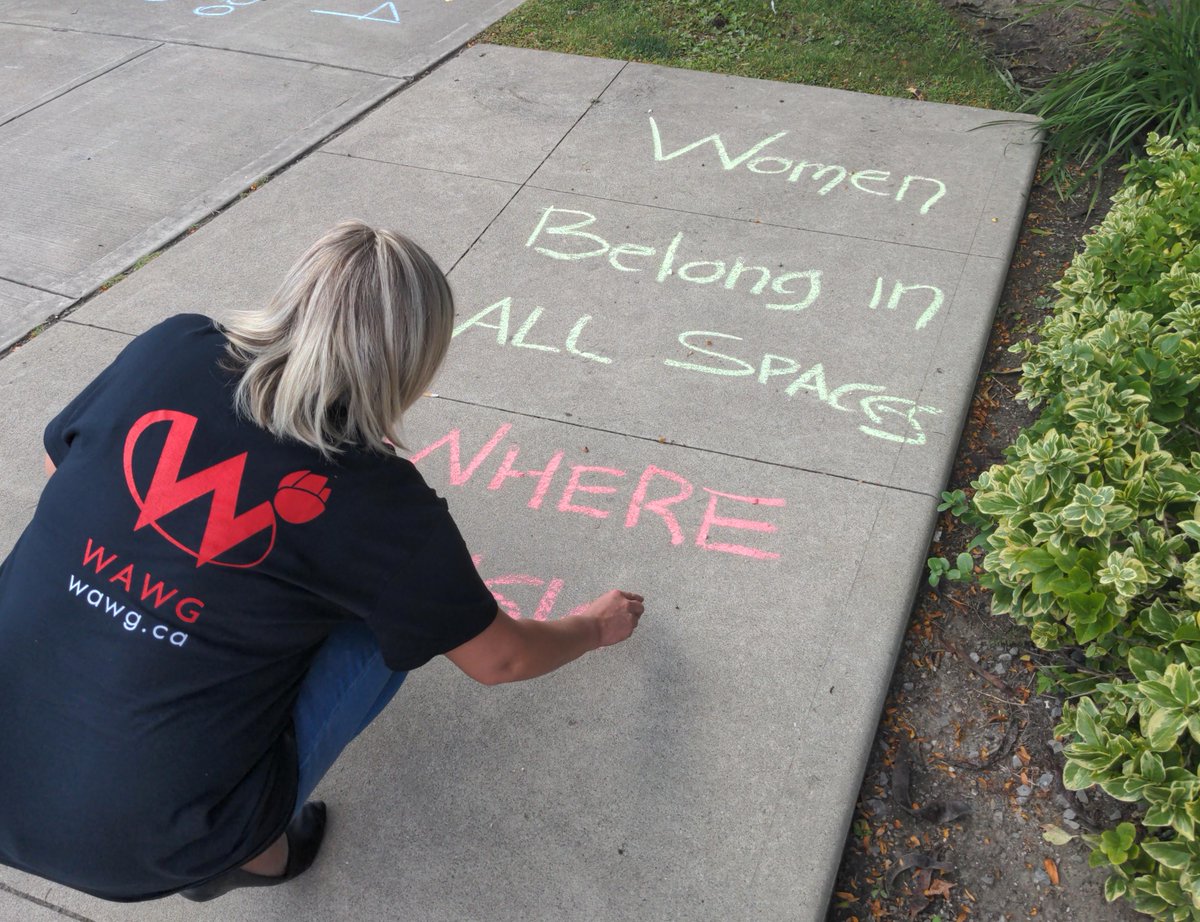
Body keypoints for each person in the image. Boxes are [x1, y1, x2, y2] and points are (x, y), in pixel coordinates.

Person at [0, 221, 644, 903]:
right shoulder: (383, 504)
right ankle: (249, 848)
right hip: (154, 844)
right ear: (413, 363)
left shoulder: (171, 350)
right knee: (391, 623)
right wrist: (591, 627)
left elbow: (59, 465)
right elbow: (499, 659)